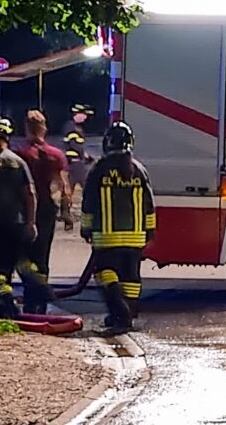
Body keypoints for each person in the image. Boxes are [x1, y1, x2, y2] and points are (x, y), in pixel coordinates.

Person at [0, 115, 51, 318]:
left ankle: (5, 303)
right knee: (19, 259)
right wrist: (31, 223)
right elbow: (30, 194)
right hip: (15, 222)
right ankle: (37, 282)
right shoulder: (18, 162)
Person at [81, 121, 156, 333]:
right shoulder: (139, 170)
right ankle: (127, 314)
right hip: (135, 237)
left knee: (104, 273)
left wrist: (86, 228)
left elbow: (89, 201)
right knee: (130, 278)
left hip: (107, 237)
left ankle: (120, 314)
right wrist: (149, 231)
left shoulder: (99, 169)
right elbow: (149, 203)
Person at [14, 110, 70, 314]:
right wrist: (66, 212)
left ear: (26, 128)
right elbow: (63, 186)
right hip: (47, 209)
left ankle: (32, 297)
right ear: (44, 128)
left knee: (22, 257)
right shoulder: (56, 155)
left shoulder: (19, 154)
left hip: (23, 211)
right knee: (42, 256)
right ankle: (41, 305)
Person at [61, 103, 94, 231]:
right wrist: (83, 156)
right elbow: (75, 146)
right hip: (74, 164)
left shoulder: (74, 127)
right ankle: (68, 216)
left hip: (77, 163)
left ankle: (66, 216)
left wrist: (86, 156)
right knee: (84, 189)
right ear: (77, 114)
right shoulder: (72, 128)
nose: (85, 118)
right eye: (84, 115)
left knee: (70, 190)